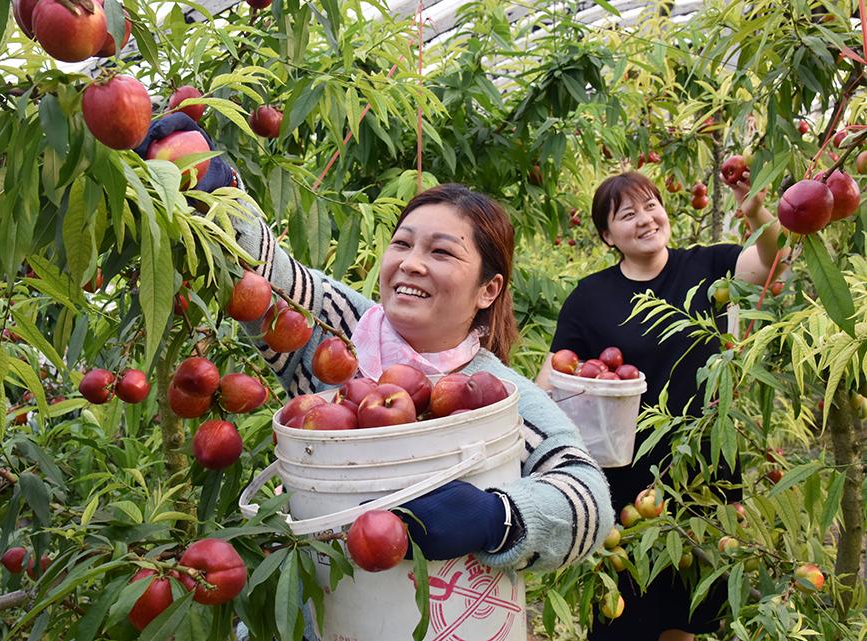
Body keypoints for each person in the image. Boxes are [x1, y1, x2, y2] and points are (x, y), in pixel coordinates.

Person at [136, 114, 613, 628]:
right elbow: (267, 278)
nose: (410, 263)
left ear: (487, 290)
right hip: (325, 612)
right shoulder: (343, 334)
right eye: (402, 244)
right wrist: (215, 185)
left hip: (444, 621)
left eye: (441, 252)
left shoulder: (498, 398)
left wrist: (498, 518)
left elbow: (587, 499)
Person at [535, 170, 787, 641]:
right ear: (608, 236)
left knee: (688, 607)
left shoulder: (710, 267)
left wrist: (754, 207)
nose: (646, 219)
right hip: (625, 471)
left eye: (651, 205)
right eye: (627, 215)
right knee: (624, 609)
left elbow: (775, 258)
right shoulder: (590, 298)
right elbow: (555, 375)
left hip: (704, 468)